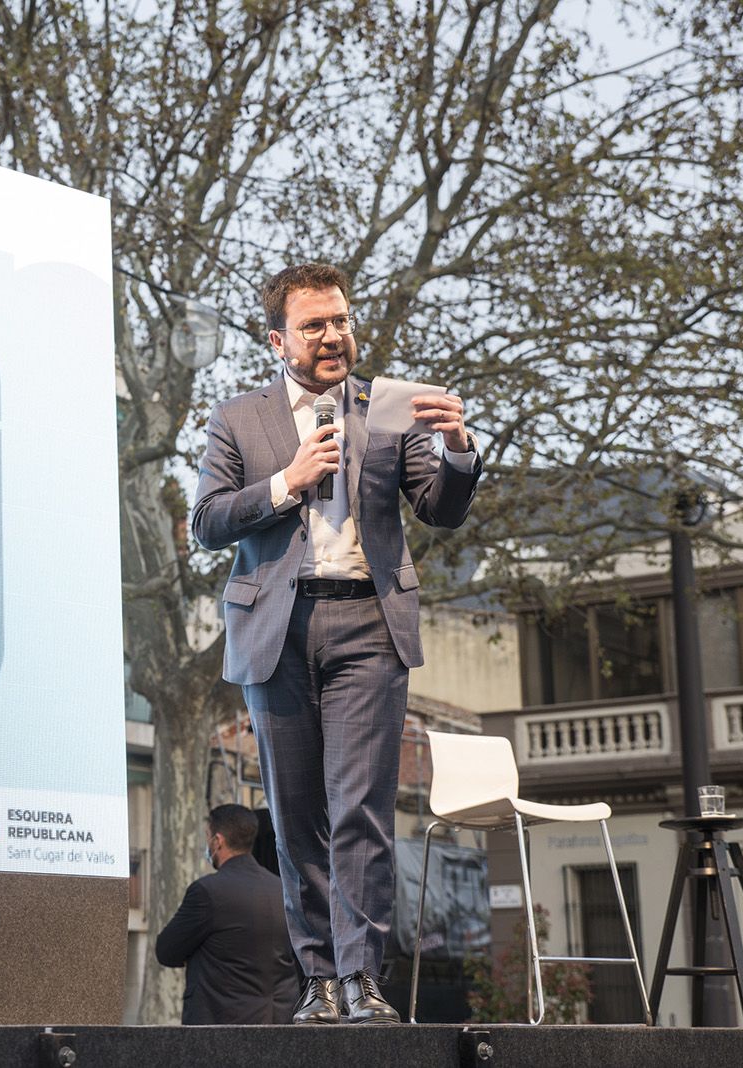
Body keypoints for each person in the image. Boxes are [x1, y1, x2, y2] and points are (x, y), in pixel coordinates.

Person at [190, 263, 481, 1025]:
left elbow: (439, 508)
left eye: (342, 321)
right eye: (315, 325)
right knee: (294, 817)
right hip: (275, 630)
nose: (333, 337)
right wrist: (286, 482)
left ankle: (362, 980)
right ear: (278, 339)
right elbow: (208, 519)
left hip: (367, 626)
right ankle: (315, 980)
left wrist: (454, 447)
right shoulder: (237, 420)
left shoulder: (388, 409)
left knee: (361, 812)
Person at [155, 804, 299, 1025]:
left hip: (223, 1030)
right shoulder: (282, 889)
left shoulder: (207, 892)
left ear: (218, 841)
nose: (207, 844)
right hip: (279, 1024)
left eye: (207, 837)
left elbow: (166, 950)